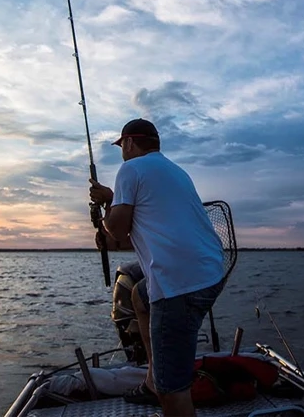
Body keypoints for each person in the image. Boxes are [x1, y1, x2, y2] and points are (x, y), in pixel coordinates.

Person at [89, 118, 225, 416]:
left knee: (172, 390)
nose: (121, 153)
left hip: (180, 284)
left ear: (128, 142)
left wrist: (104, 207)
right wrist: (113, 202)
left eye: (121, 146)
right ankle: (153, 379)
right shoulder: (174, 171)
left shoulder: (131, 169)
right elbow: (138, 231)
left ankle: (162, 384)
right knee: (139, 294)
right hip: (211, 273)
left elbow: (118, 230)